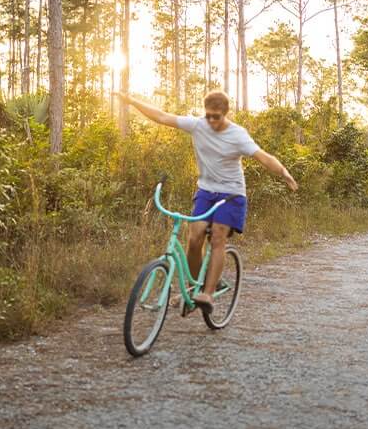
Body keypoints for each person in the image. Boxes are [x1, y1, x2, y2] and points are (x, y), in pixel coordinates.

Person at [114, 89, 298, 314]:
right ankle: (194, 288)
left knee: (218, 236)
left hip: (232, 194)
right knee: (194, 237)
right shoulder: (198, 125)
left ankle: (207, 294)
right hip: (206, 191)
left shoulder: (238, 135)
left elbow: (263, 156)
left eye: (216, 116)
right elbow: (162, 117)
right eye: (208, 115)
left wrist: (284, 172)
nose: (211, 120)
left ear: (225, 113)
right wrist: (132, 101)